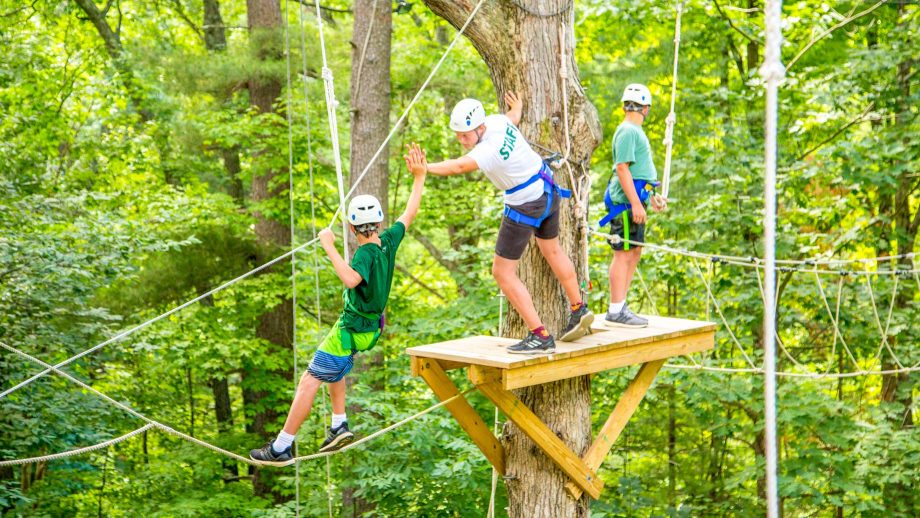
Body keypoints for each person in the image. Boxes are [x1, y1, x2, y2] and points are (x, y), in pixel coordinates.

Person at [250, 148, 427, 463]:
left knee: (309, 379)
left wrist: (329, 246)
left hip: (353, 327)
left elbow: (350, 279)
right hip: (367, 329)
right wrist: (419, 177)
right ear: (378, 222)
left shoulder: (363, 254)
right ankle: (338, 423)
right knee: (335, 366)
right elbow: (409, 213)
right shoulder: (388, 242)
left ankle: (281, 446)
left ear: (352, 228)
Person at [414, 91, 593, 355]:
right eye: (458, 135)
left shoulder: (487, 149)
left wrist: (425, 168)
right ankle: (579, 309)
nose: (461, 140)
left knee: (502, 272)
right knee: (552, 250)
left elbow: (458, 167)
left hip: (525, 205)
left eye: (465, 135)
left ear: (480, 127)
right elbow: (513, 118)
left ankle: (539, 335)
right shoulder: (498, 122)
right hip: (547, 193)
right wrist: (518, 107)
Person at [598, 83, 667, 328]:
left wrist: (649, 199)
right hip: (625, 204)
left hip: (635, 200)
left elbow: (638, 172)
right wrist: (636, 204)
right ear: (645, 108)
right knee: (624, 253)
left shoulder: (633, 131)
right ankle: (616, 309)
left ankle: (621, 304)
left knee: (634, 252)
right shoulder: (628, 131)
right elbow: (622, 168)